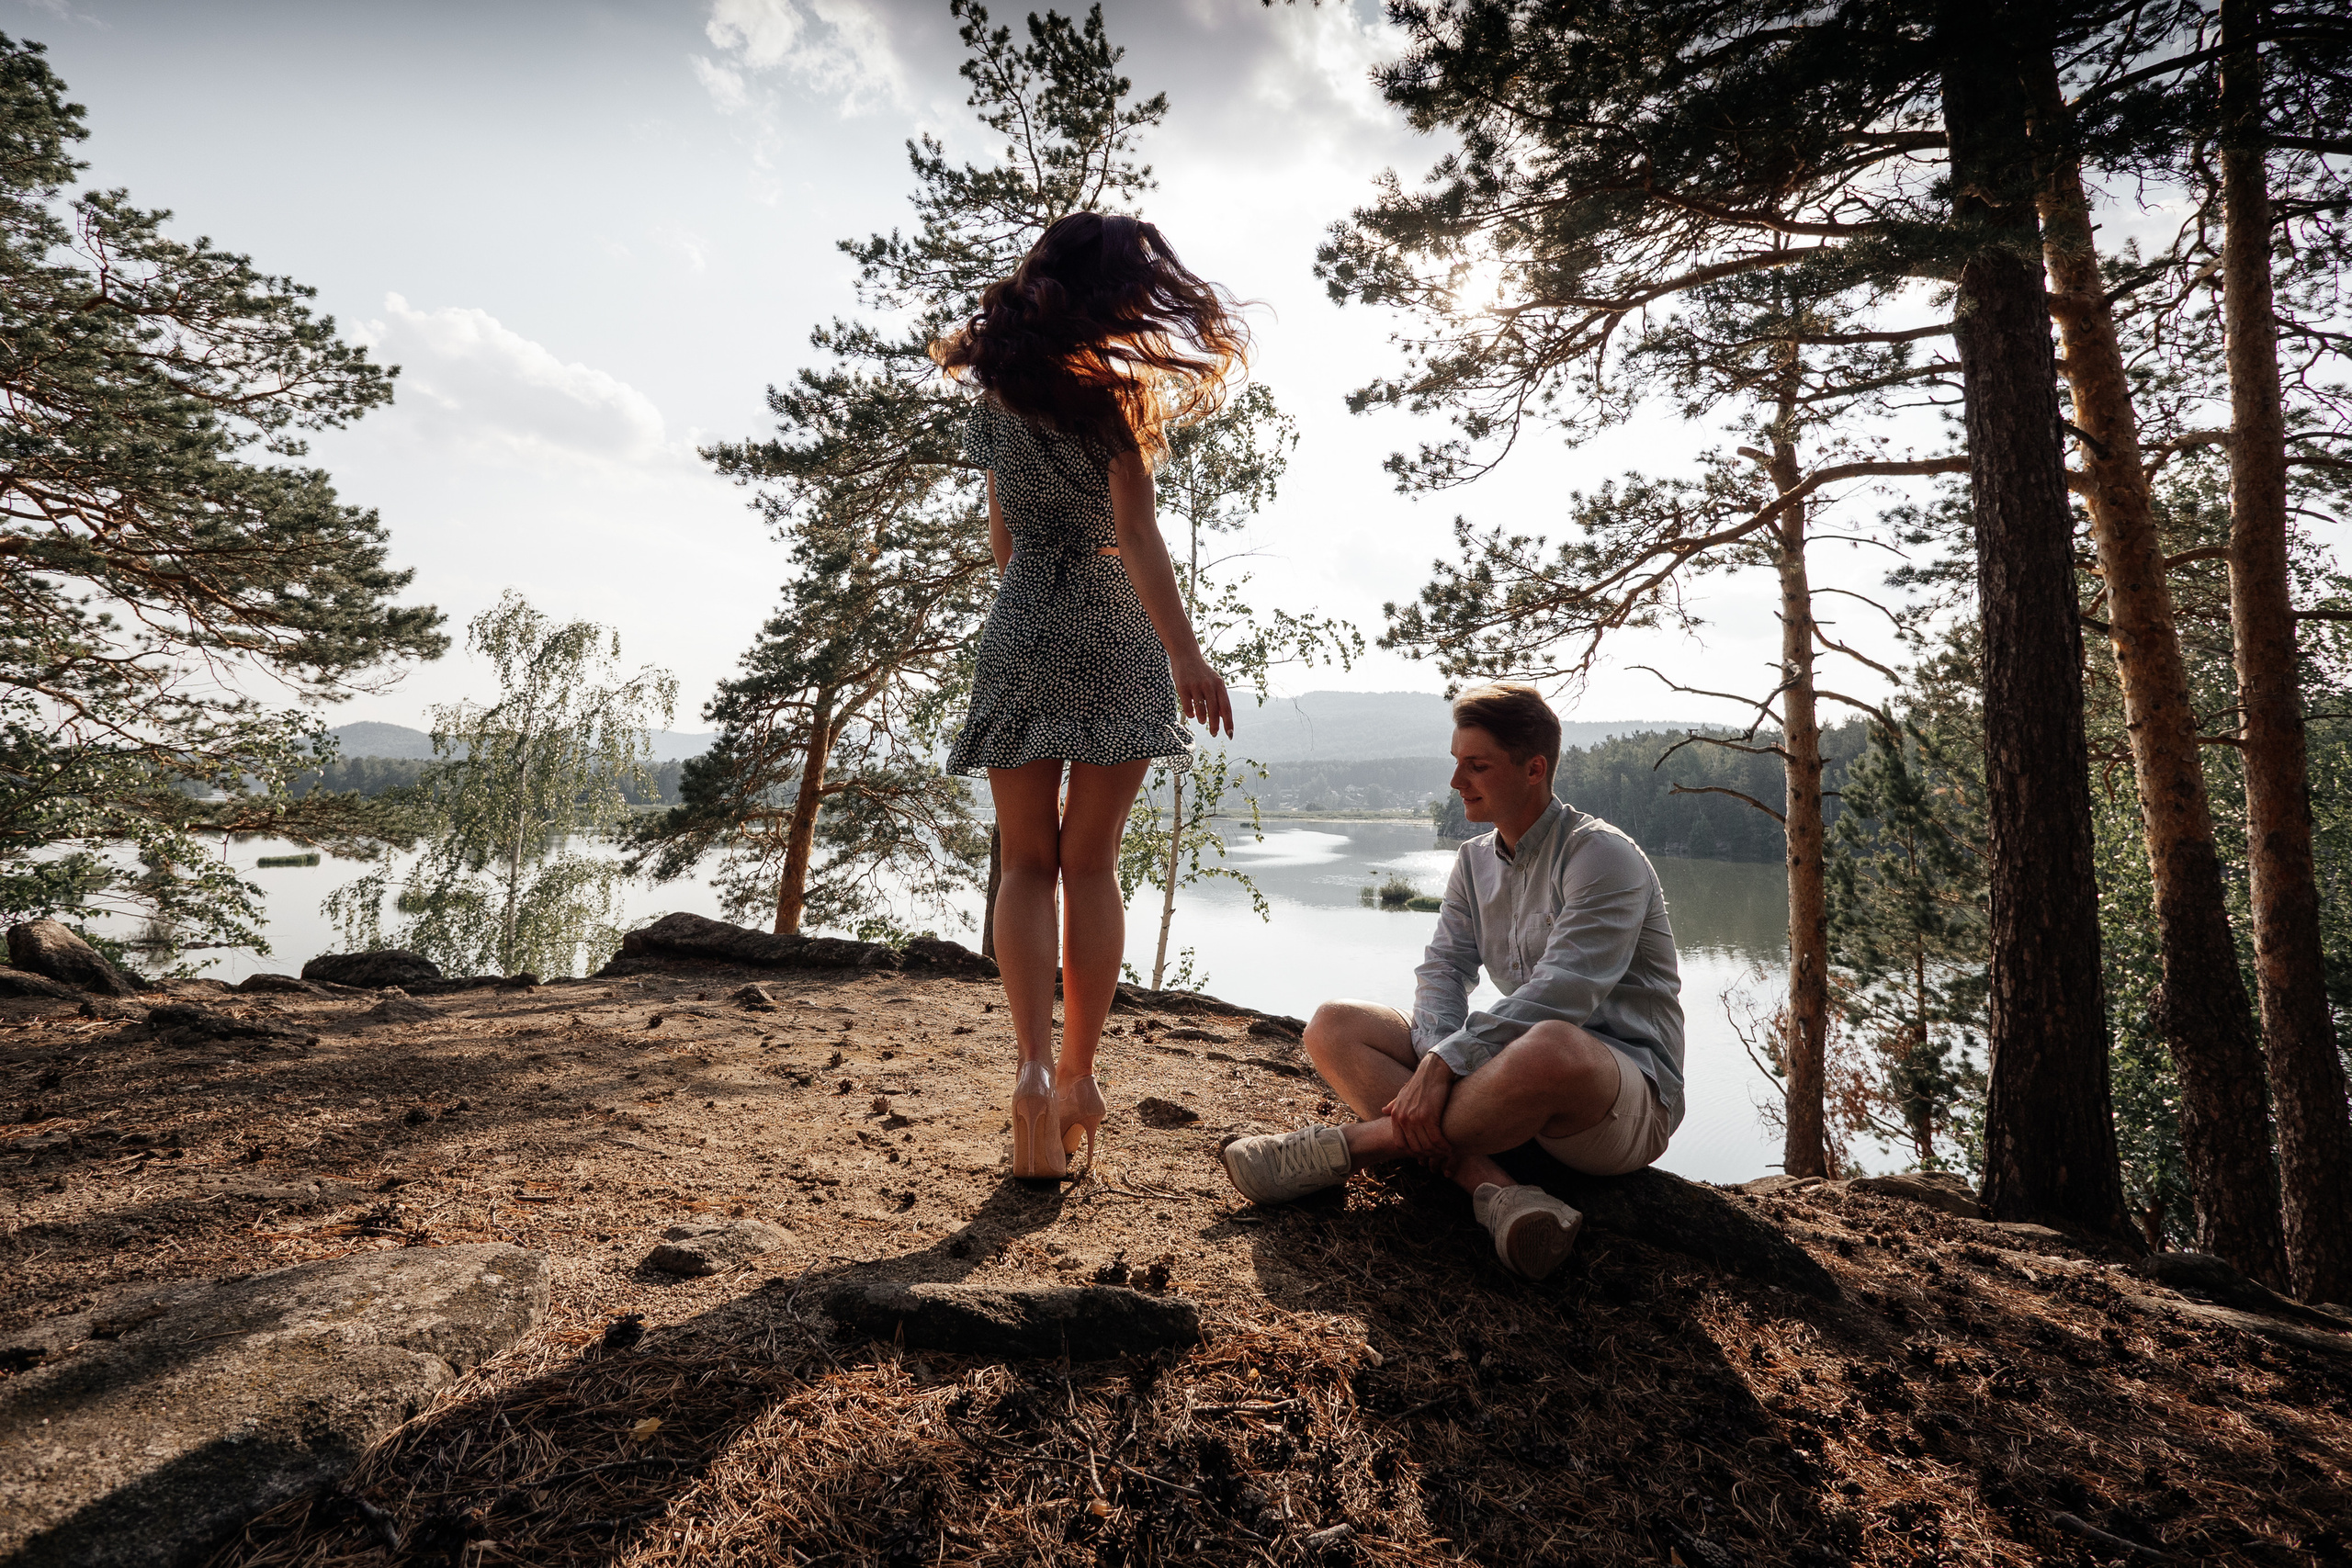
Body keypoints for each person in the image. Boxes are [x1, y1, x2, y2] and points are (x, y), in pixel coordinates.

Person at [933, 211, 1245, 1181]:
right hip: (1111, 620)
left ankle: (1027, 1072)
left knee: (1025, 864)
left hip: (1023, 617)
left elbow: (1001, 543)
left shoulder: (996, 391)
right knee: (1092, 865)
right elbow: (1140, 536)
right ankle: (1078, 1075)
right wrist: (1186, 654)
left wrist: (1038, 582)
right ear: (1113, 293)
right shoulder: (1117, 398)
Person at [1220, 683, 1686, 1280]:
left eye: (1477, 765)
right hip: (1514, 1097)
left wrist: (1441, 1067)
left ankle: (1351, 1147)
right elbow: (1442, 971)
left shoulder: (1602, 856)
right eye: (1455, 761)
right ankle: (1494, 1187)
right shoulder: (1473, 861)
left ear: (1534, 768)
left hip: (1619, 1104)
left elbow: (1564, 992)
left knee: (1549, 1042)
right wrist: (1439, 1052)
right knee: (1334, 1025)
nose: (1455, 780)